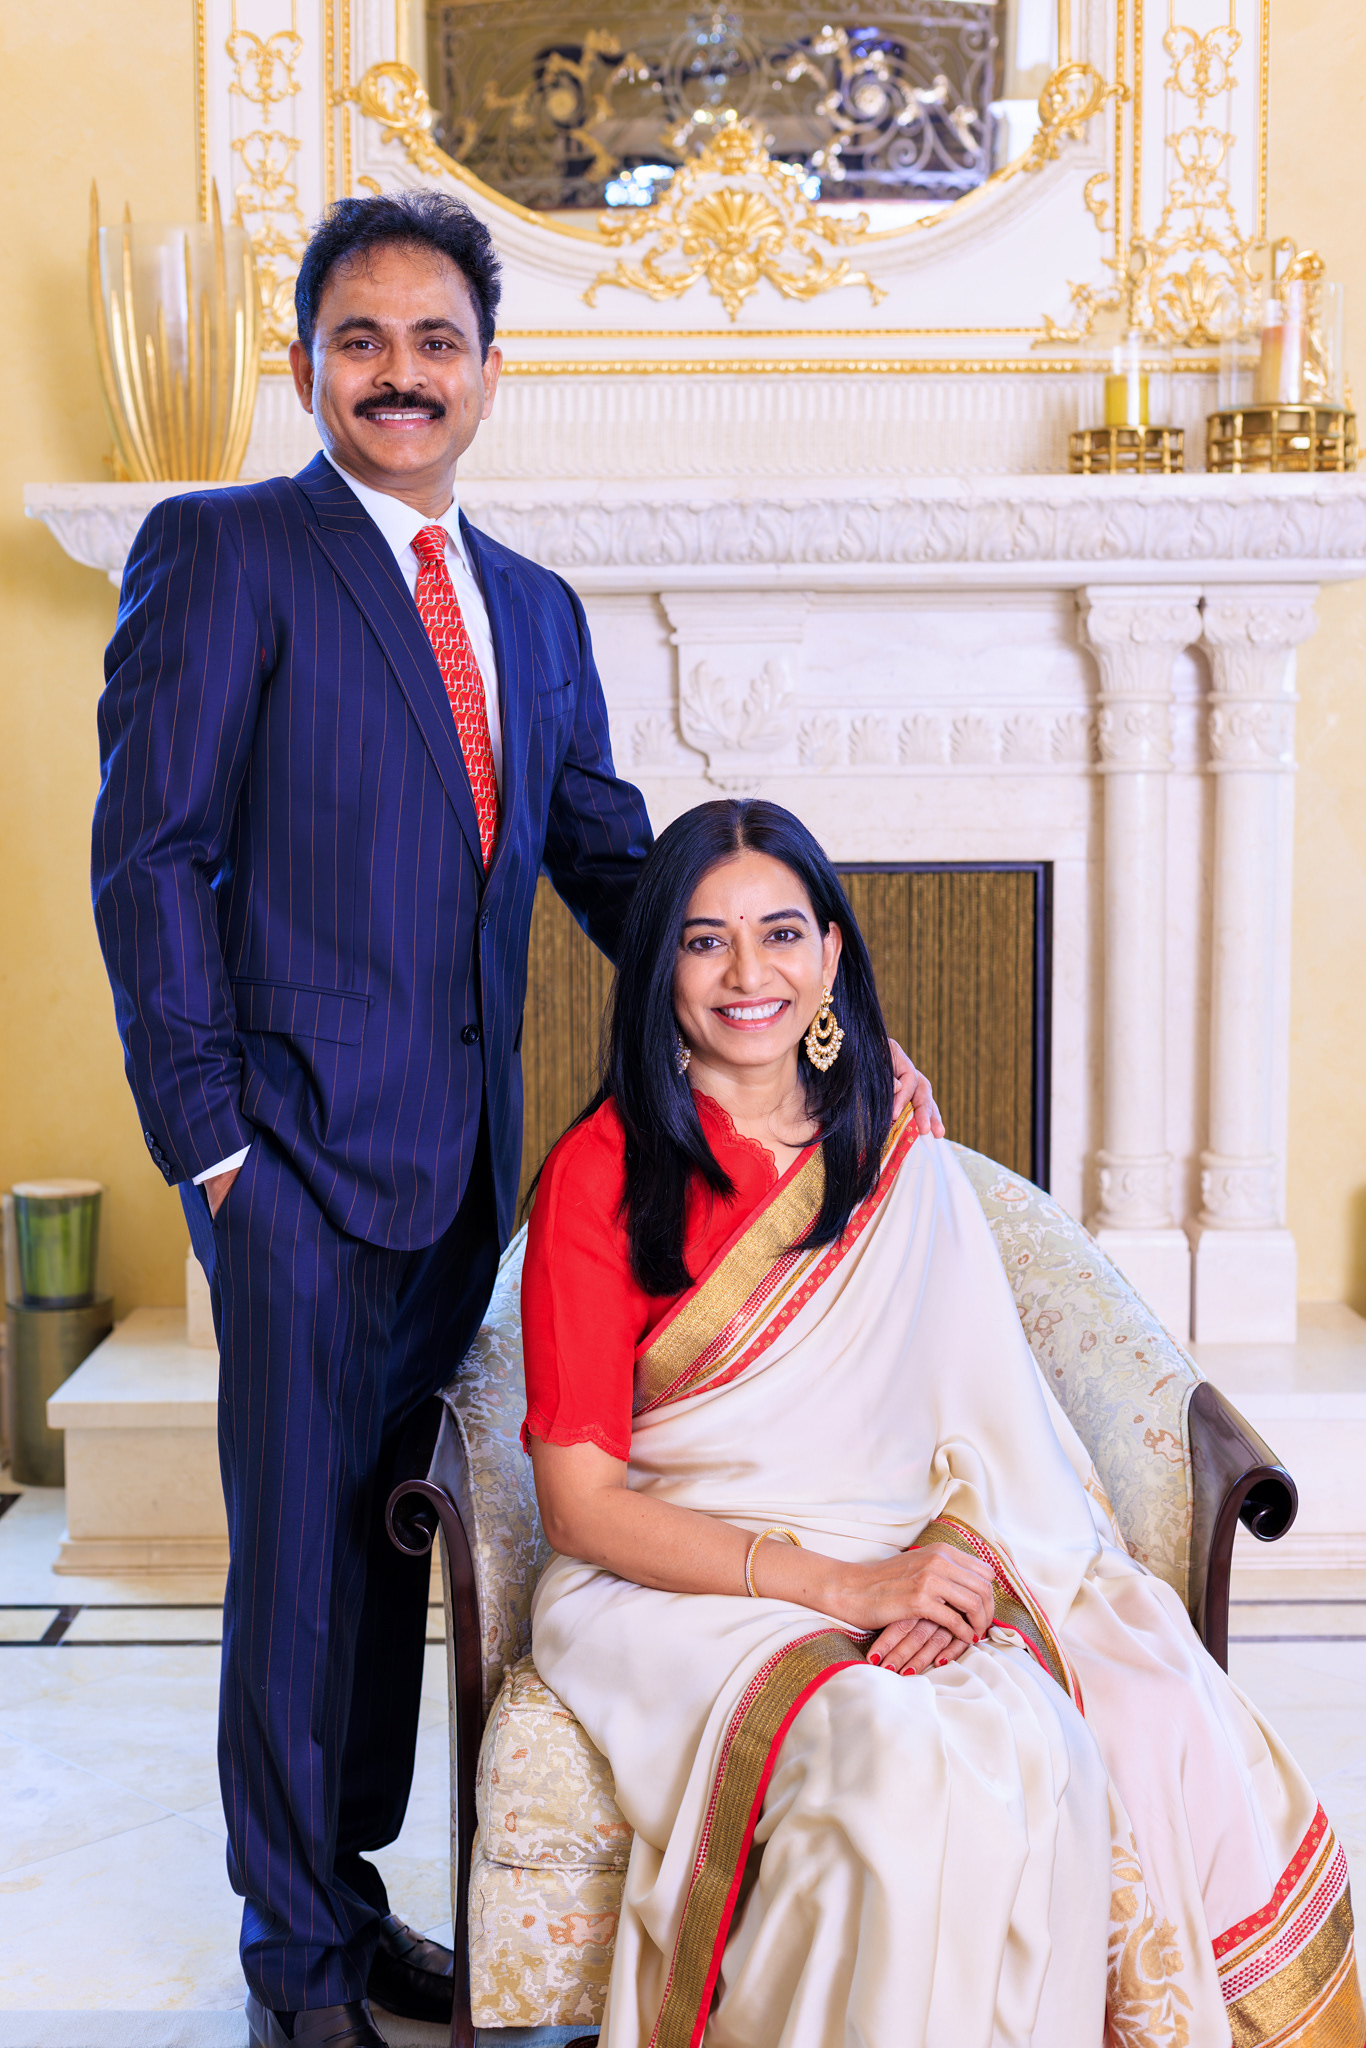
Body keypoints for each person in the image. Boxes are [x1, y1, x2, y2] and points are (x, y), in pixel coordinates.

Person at [91, 197, 934, 2048]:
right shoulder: (226, 553)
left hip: (462, 1172)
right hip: (292, 1165)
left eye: (435, 342)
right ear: (304, 364)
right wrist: (212, 1147)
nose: (400, 375)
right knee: (295, 1567)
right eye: (362, 341)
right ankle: (295, 1964)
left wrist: (798, 995)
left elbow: (610, 860)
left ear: (488, 370)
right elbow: (147, 861)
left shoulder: (535, 611)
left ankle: (345, 1894)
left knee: (389, 1551)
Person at [522, 798, 1363, 2048]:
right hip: (681, 1583)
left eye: (780, 933)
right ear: (659, 967)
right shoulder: (600, 1172)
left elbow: (985, 1420)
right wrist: (847, 1588)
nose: (748, 972)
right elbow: (580, 1507)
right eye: (704, 941)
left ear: (831, 954)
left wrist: (948, 1566)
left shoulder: (886, 1138)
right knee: (895, 1758)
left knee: (1076, 1724)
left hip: (912, 1550)